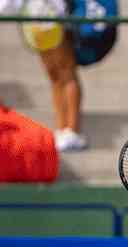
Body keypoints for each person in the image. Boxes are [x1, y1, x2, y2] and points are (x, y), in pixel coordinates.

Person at [23, 0, 87, 152]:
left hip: (47, 16)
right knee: (58, 76)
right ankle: (64, 129)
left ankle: (70, 130)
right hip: (40, 17)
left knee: (63, 74)